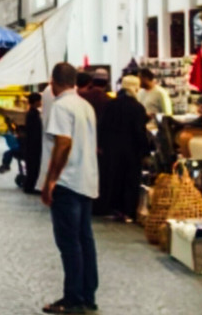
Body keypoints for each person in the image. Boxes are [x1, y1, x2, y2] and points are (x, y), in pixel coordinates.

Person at [41, 62, 100, 315]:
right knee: (85, 240)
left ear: (54, 82)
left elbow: (63, 143)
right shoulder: (85, 105)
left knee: (69, 242)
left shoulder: (61, 106)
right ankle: (88, 294)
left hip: (68, 181)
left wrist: (51, 179)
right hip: (86, 180)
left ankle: (72, 297)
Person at [98, 75, 150, 222]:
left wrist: (100, 145)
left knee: (113, 178)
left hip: (111, 149)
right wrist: (145, 151)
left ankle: (113, 208)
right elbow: (140, 131)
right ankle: (127, 211)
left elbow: (102, 126)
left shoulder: (111, 104)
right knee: (130, 180)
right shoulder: (137, 107)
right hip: (131, 151)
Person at [21, 92, 43, 194]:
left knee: (32, 166)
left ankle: (29, 185)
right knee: (33, 166)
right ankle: (30, 186)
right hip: (33, 145)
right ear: (36, 102)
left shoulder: (31, 113)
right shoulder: (34, 115)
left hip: (30, 144)